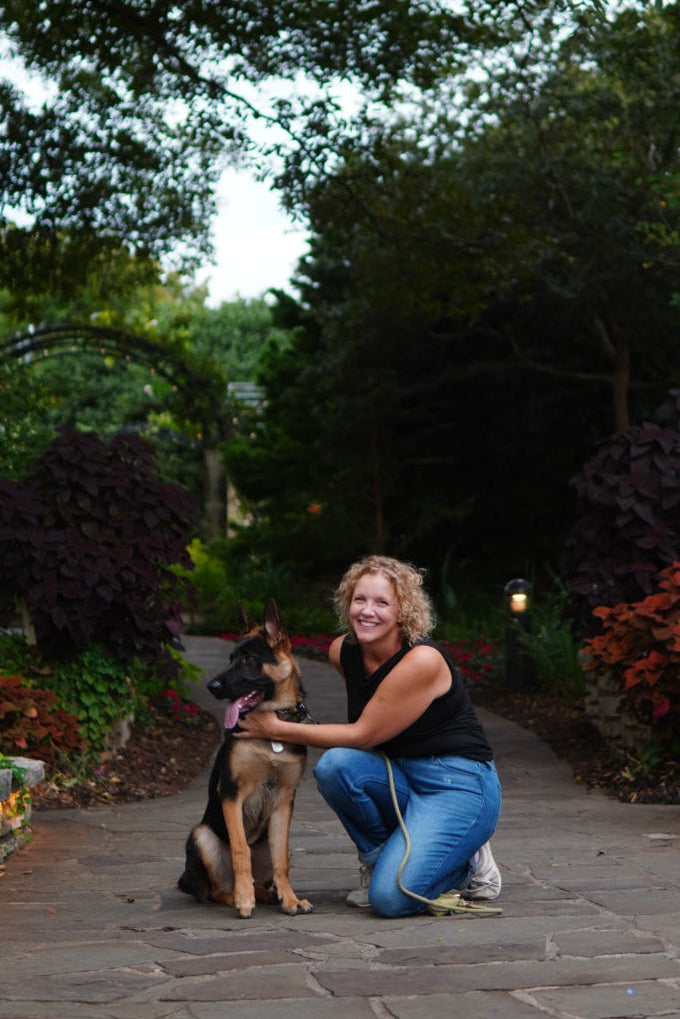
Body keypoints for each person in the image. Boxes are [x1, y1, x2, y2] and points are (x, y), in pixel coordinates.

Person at [236, 554, 502, 918]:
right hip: (400, 775)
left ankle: (467, 863)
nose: (367, 611)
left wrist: (274, 727)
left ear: (403, 613)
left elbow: (362, 735)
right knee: (336, 766)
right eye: (359, 599)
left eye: (382, 603)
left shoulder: (422, 661)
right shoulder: (342, 652)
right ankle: (382, 862)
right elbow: (374, 716)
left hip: (457, 784)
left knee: (390, 899)